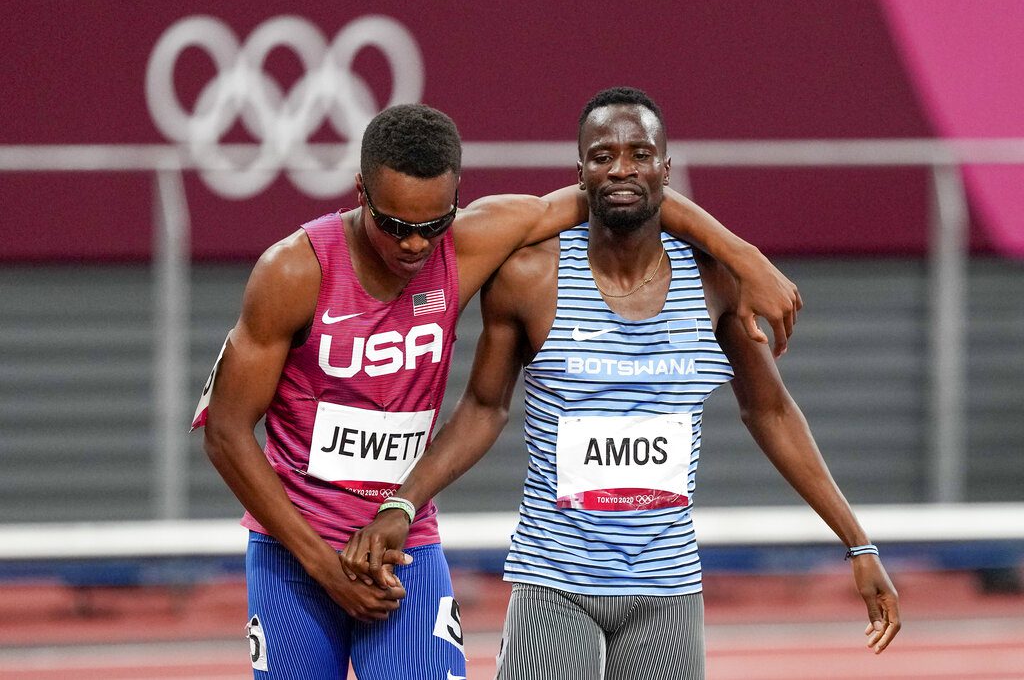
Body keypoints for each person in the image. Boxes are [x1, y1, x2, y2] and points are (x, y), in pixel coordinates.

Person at [194, 102, 801, 679]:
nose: (413, 245)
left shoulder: (466, 246)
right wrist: (325, 568)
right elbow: (225, 433)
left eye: (432, 225)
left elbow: (624, 192)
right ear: (360, 193)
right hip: (295, 551)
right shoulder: (294, 272)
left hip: (402, 544)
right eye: (395, 225)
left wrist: (748, 260)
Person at [345, 89, 901, 679]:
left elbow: (772, 413)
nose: (621, 169)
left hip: (667, 590)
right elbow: (483, 407)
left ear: (667, 166)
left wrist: (858, 543)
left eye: (640, 154)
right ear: (579, 171)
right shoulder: (530, 277)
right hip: (554, 582)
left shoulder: (715, 282)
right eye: (602, 155)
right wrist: (404, 500)